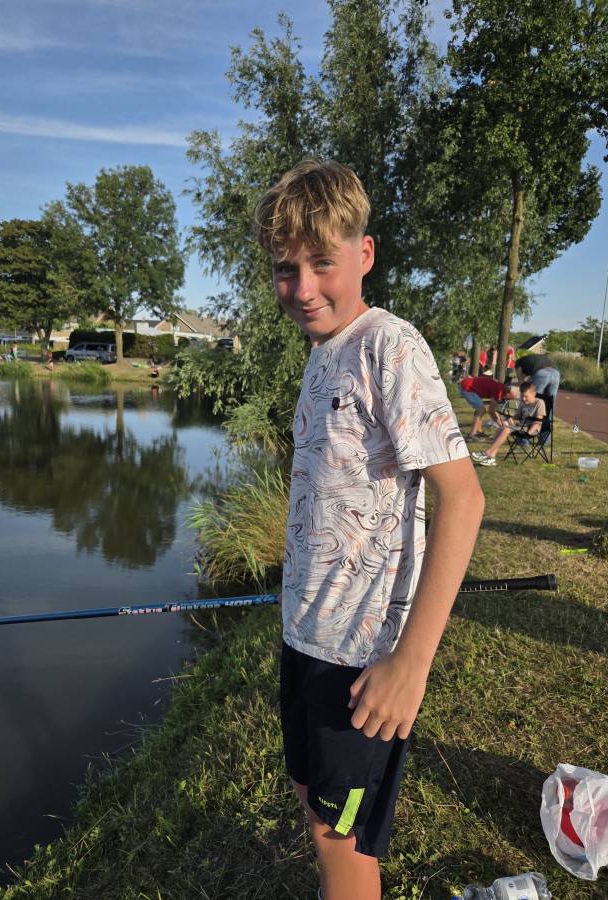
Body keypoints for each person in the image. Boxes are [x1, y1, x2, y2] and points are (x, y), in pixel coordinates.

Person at [254, 159, 484, 900]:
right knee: (310, 798)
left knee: (341, 841)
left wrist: (410, 662)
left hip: (360, 660)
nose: (303, 288)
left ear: (365, 253)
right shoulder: (322, 353)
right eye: (285, 269)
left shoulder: (389, 344)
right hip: (305, 638)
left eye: (321, 262)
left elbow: (463, 498)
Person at [470, 380, 547, 467]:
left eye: (526, 396)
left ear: (534, 394)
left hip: (531, 429)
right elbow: (516, 416)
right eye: (522, 396)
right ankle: (492, 457)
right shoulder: (523, 403)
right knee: (501, 428)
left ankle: (488, 453)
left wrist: (528, 433)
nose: (523, 399)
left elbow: (538, 421)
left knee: (506, 430)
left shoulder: (539, 403)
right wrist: (508, 421)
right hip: (521, 427)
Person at [458, 374, 519, 441]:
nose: (508, 400)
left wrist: (501, 422)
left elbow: (494, 410)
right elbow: (491, 411)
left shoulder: (501, 388)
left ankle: (478, 431)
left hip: (468, 385)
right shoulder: (499, 391)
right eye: (510, 398)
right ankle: (472, 434)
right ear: (508, 393)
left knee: (481, 409)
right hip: (467, 387)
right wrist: (501, 425)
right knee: (481, 409)